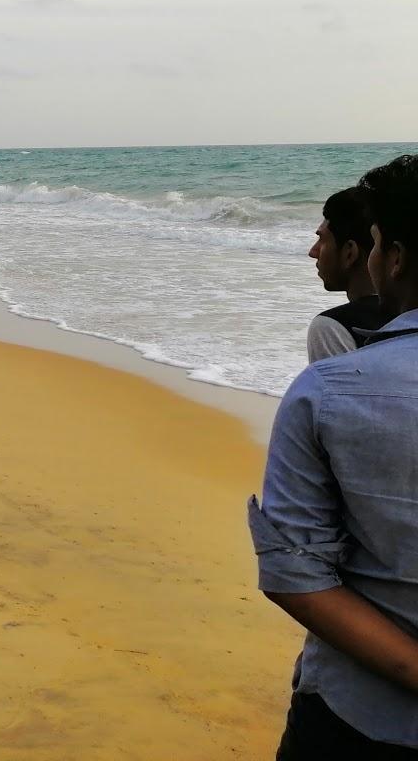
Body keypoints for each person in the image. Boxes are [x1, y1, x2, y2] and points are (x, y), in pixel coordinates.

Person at [252, 154, 418, 757]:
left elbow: (296, 572)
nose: (313, 249)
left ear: (388, 256)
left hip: (360, 708)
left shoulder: (330, 373)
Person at [307, 186, 387, 362]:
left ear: (349, 252)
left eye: (322, 239)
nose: (313, 251)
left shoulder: (333, 328)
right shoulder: (407, 319)